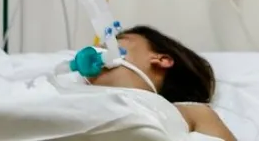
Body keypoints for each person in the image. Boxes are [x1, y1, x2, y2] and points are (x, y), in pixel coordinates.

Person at [90, 25, 237, 141]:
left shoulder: (191, 112)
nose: (99, 48)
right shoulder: (80, 93)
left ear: (161, 60)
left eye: (119, 40)